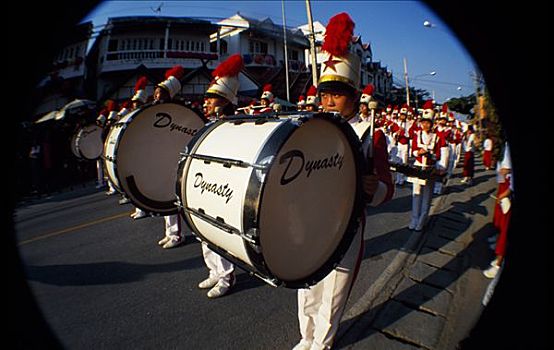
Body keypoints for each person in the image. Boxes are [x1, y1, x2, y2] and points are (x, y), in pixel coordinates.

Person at [293, 13, 394, 350]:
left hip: (346, 225)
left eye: (337, 94)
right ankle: (305, 338)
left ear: (353, 97)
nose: (329, 101)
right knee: (307, 286)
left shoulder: (371, 134)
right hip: (310, 221)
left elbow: (386, 189)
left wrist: (374, 188)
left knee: (333, 293)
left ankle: (321, 343)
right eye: (325, 95)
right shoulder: (311, 130)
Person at [195, 54, 245, 298]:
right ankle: (214, 271)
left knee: (219, 232)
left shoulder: (237, 125)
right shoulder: (207, 124)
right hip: (204, 183)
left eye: (211, 99)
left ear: (225, 101)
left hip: (224, 187)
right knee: (203, 230)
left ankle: (226, 276)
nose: (206, 103)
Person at [154, 65, 187, 249]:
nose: (156, 96)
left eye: (160, 93)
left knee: (173, 199)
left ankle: (176, 234)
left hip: (175, 159)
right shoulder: (155, 111)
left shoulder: (177, 111)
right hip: (164, 158)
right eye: (156, 92)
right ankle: (169, 232)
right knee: (166, 197)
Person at [408, 100, 447, 232]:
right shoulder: (417, 134)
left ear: (432, 123)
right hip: (418, 166)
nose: (425, 125)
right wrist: (418, 152)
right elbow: (413, 149)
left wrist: (431, 155)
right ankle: (414, 219)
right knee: (416, 194)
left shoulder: (437, 136)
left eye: (427, 122)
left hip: (430, 169)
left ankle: (422, 220)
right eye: (423, 122)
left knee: (427, 195)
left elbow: (439, 154)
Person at [484, 141, 513, 279]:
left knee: (506, 226)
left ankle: (498, 264)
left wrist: (507, 192)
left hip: (509, 185)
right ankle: (498, 241)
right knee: (500, 219)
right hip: (504, 180)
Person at [129, 76, 150, 220]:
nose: (134, 105)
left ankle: (174, 233)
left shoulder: (147, 114)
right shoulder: (132, 116)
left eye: (137, 102)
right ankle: (140, 208)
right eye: (134, 102)